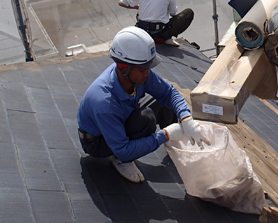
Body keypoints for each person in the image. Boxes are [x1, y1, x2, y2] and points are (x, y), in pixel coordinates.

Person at [77, 26, 209, 183]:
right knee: (146, 119)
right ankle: (120, 161)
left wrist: (186, 119)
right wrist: (165, 135)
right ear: (123, 67)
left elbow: (169, 93)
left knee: (165, 103)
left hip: (120, 118)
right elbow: (124, 149)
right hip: (98, 141)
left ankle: (182, 144)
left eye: (148, 67)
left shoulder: (137, 71)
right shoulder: (103, 101)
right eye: (142, 70)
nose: (147, 73)